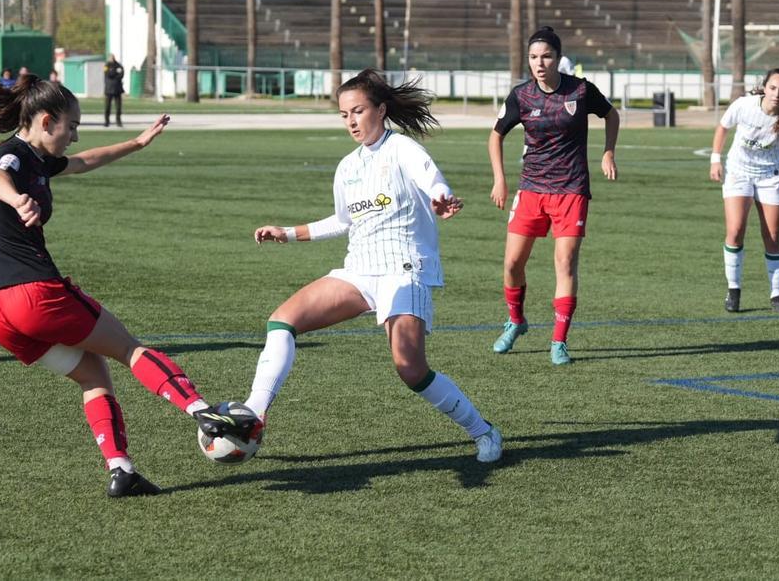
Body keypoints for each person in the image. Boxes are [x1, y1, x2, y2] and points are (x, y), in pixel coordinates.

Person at [0, 44, 256, 497]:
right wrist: (16, 199)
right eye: (71, 127)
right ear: (46, 121)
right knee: (129, 349)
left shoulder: (37, 158)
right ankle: (203, 411)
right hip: (35, 295)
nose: (74, 137)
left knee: (93, 374)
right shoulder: (12, 155)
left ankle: (121, 470)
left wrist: (138, 142)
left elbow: (85, 161)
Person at [249, 69, 503, 464]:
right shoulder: (347, 167)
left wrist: (442, 198)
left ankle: (483, 431)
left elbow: (431, 179)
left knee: (410, 369)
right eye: (344, 114)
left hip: (405, 268)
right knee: (282, 321)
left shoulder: (402, 149)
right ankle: (254, 411)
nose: (351, 121)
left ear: (381, 110)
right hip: (359, 270)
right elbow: (344, 221)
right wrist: (288, 232)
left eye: (359, 110)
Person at [488, 26, 619, 365]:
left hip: (571, 189)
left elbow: (611, 115)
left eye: (546, 56)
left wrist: (608, 152)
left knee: (564, 263)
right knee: (512, 263)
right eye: (533, 57)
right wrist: (499, 179)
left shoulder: (581, 90)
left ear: (559, 59)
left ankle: (559, 341)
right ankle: (516, 320)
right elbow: (496, 135)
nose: (539, 62)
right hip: (531, 188)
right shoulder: (521, 96)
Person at [709, 68, 779, 313]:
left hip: (771, 177)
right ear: (764, 87)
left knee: (773, 236)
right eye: (773, 88)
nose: (777, 94)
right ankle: (733, 290)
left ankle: (776, 296)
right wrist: (715, 159)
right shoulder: (744, 105)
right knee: (735, 231)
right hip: (738, 173)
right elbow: (723, 127)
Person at [103, 55, 124, 128]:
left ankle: (118, 121)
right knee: (107, 106)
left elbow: (121, 74)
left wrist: (113, 73)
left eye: (112, 57)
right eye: (110, 58)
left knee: (118, 107)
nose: (111, 59)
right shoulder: (106, 66)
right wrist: (114, 73)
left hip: (117, 89)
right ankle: (107, 121)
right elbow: (108, 74)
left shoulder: (118, 65)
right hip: (109, 89)